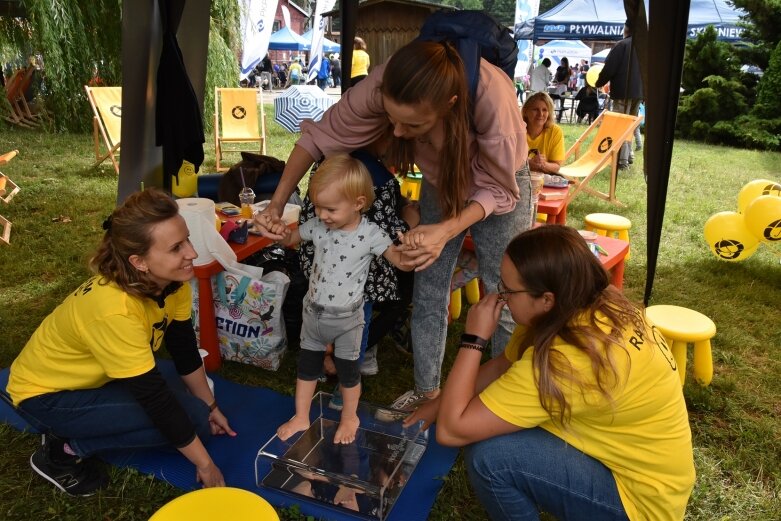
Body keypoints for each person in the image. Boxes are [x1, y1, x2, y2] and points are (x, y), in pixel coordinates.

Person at [253, 39, 532, 415]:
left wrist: (447, 229)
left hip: (500, 188)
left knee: (507, 290)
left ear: (449, 105)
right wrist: (276, 203)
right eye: (392, 119)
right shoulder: (382, 84)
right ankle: (426, 389)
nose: (398, 134)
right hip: (441, 179)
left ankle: (506, 399)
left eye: (414, 125)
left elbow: (499, 190)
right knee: (429, 281)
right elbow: (319, 137)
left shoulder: (493, 103)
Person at [405, 225, 696, 521]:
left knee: (490, 457)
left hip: (640, 504)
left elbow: (453, 430)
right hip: (648, 472)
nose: (500, 296)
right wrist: (432, 408)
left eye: (507, 289)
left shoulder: (566, 358)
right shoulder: (584, 301)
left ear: (546, 299)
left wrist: (473, 340)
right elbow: (500, 367)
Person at [6, 189, 236, 496]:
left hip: (94, 380)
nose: (192, 253)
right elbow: (156, 402)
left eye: (188, 240)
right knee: (188, 420)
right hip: (47, 396)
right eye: (176, 248)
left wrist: (212, 406)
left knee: (194, 412)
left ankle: (82, 433)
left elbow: (183, 350)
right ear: (139, 261)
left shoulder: (170, 282)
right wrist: (206, 465)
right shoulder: (114, 310)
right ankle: (63, 452)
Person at [271, 154, 412, 445]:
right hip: (313, 315)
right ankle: (300, 416)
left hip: (348, 320)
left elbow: (400, 262)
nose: (322, 214)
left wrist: (410, 249)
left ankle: (350, 417)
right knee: (307, 368)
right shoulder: (319, 226)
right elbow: (290, 238)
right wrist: (276, 231)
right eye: (319, 206)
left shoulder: (370, 233)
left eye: (330, 208)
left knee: (349, 373)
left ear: (358, 203)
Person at [595, 21, 644, 169]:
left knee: (621, 126)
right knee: (630, 126)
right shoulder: (645, 48)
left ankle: (622, 161)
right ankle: (628, 156)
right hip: (638, 93)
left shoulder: (621, 45)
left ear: (627, 29)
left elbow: (609, 68)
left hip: (623, 91)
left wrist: (599, 82)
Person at [522, 92, 564, 175]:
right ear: (525, 111)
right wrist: (529, 164)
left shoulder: (555, 132)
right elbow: (507, 162)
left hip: (544, 180)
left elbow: (556, 166)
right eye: (535, 109)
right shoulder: (516, 130)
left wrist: (542, 164)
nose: (540, 114)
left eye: (545, 110)